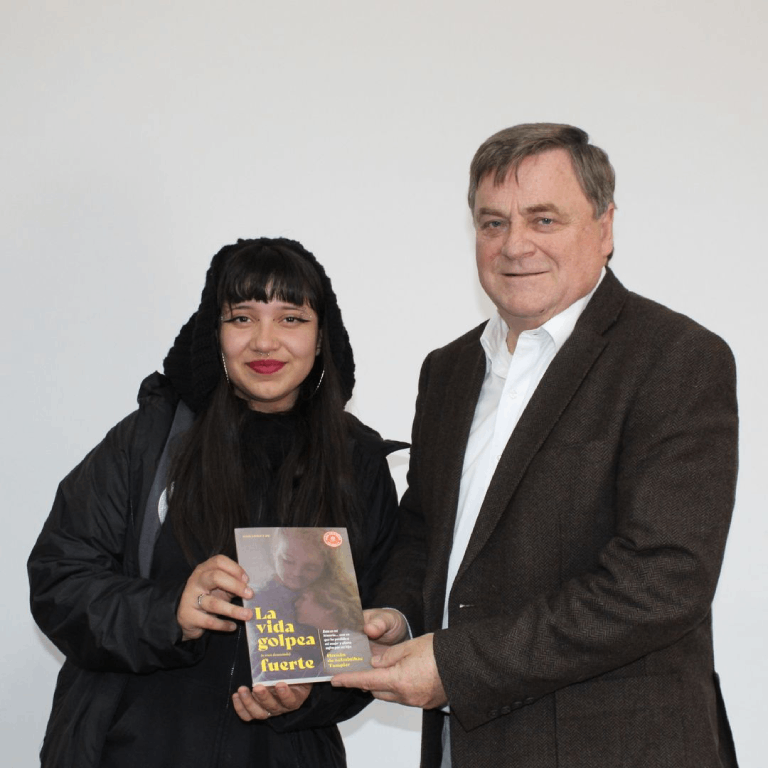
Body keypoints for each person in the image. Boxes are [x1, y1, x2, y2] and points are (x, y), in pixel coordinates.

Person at [332, 124, 740, 767]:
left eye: (543, 219)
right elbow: (426, 532)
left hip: (615, 749)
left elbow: (662, 581)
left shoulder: (677, 358)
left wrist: (457, 664)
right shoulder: (449, 369)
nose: (514, 245)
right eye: (492, 223)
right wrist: (400, 616)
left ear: (605, 228)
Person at [28, 237, 402, 768]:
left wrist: (313, 695)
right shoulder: (151, 440)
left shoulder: (357, 463)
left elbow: (380, 624)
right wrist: (170, 613)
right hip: (127, 749)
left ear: (322, 339)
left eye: (292, 318)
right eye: (242, 318)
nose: (266, 342)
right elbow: (57, 579)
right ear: (215, 334)